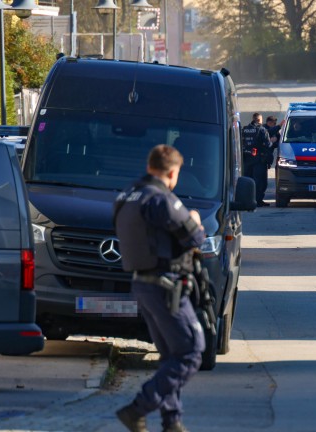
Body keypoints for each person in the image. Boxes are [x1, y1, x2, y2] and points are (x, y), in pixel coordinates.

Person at [113, 144, 206, 432]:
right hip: (166, 287)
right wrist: (195, 220)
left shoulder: (127, 194)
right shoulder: (161, 198)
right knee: (191, 351)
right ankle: (138, 408)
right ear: (173, 172)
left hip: (141, 284)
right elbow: (195, 237)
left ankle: (172, 420)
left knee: (171, 355)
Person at [242, 113, 271, 207]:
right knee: (260, 181)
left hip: (246, 159)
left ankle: (247, 200)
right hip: (259, 160)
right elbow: (268, 144)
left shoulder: (244, 129)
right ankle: (258, 200)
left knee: (247, 180)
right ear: (259, 120)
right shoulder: (262, 130)